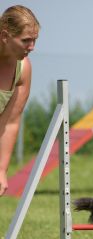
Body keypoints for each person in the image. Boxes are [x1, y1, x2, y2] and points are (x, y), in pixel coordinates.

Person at [0, 5, 40, 196]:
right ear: (5, 36)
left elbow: (10, 123)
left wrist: (1, 169)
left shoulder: (23, 69)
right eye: (26, 40)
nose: (32, 47)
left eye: (34, 40)